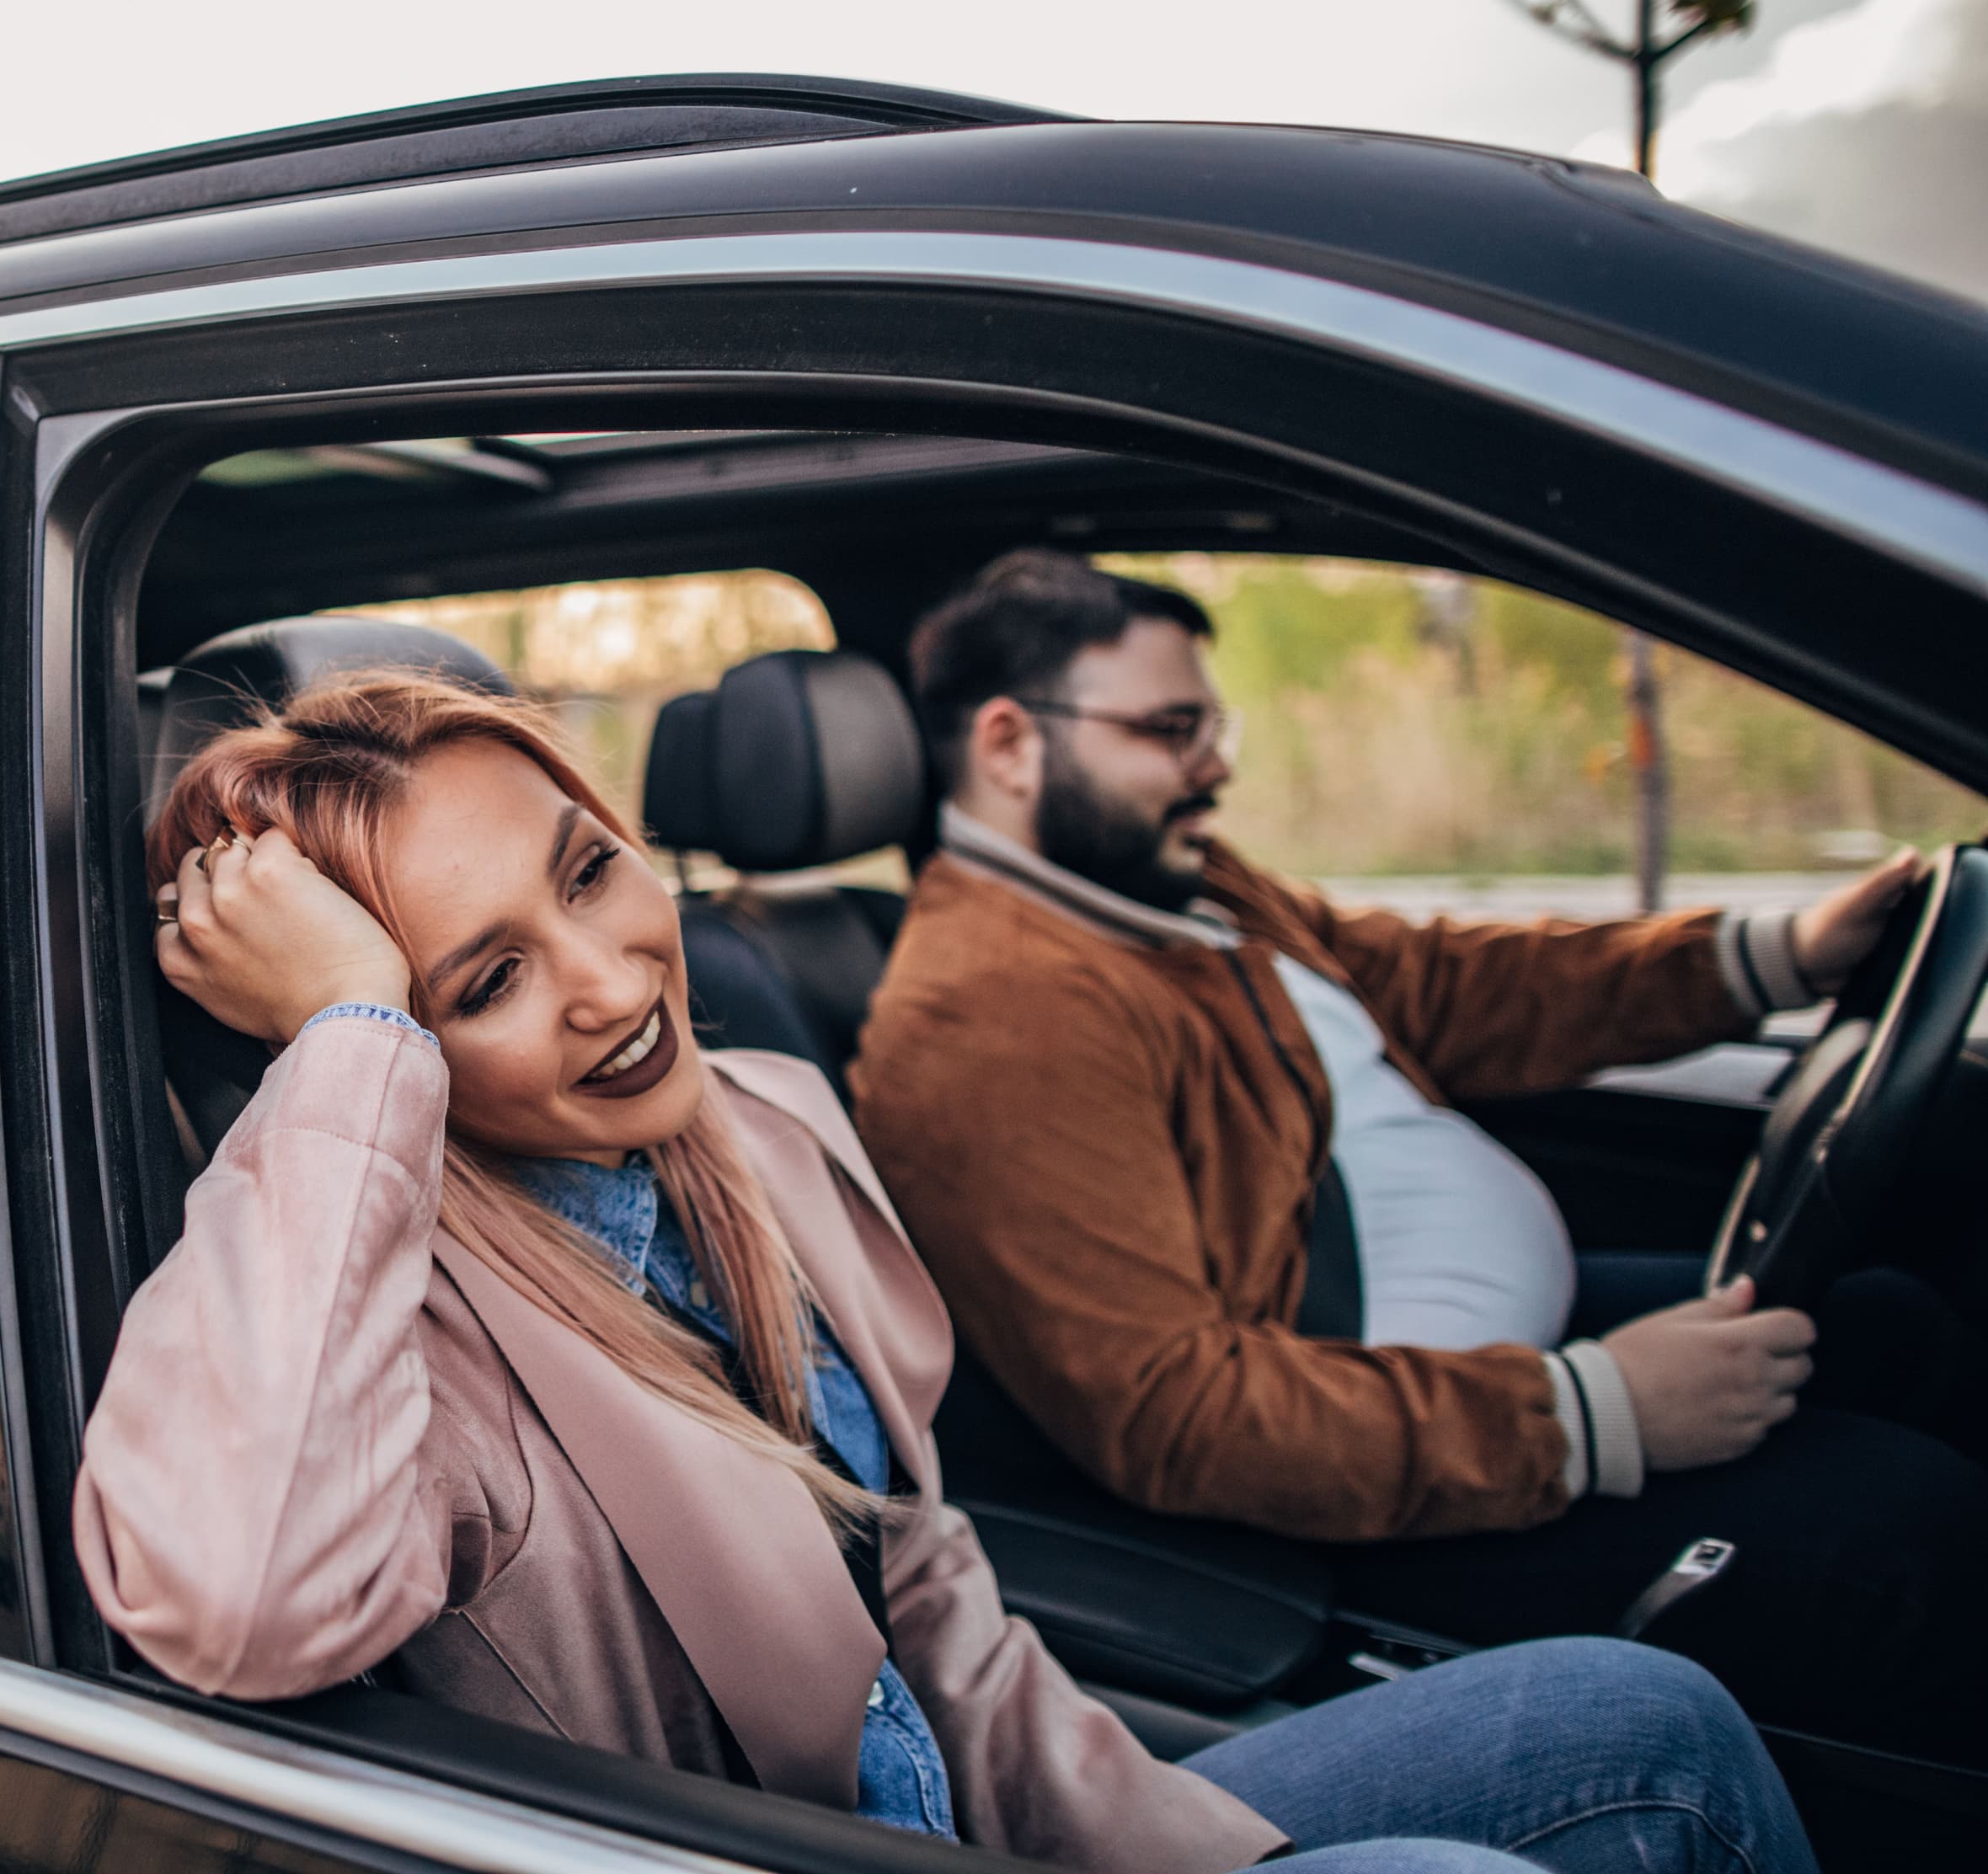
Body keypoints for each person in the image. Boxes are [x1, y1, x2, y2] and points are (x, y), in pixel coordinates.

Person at [76, 670, 1816, 1874]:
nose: (609, 980)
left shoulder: (748, 1131)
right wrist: (354, 1041)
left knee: (1645, 1716)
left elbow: (929, 1605)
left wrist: (1153, 1839)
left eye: (591, 871)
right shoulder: (395, 1326)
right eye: (481, 981)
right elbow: (237, 1601)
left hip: (984, 1810)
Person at [850, 548, 1988, 1765]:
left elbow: (1438, 984)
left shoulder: (1171, 892)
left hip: (1470, 1384)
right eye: (1172, 730)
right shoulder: (993, 1017)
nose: (1216, 764)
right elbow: (1178, 1414)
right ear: (1014, 744)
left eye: (1211, 725)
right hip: (1377, 1491)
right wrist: (1596, 1413)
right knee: (1911, 1536)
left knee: (1885, 1322)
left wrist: (1766, 956)